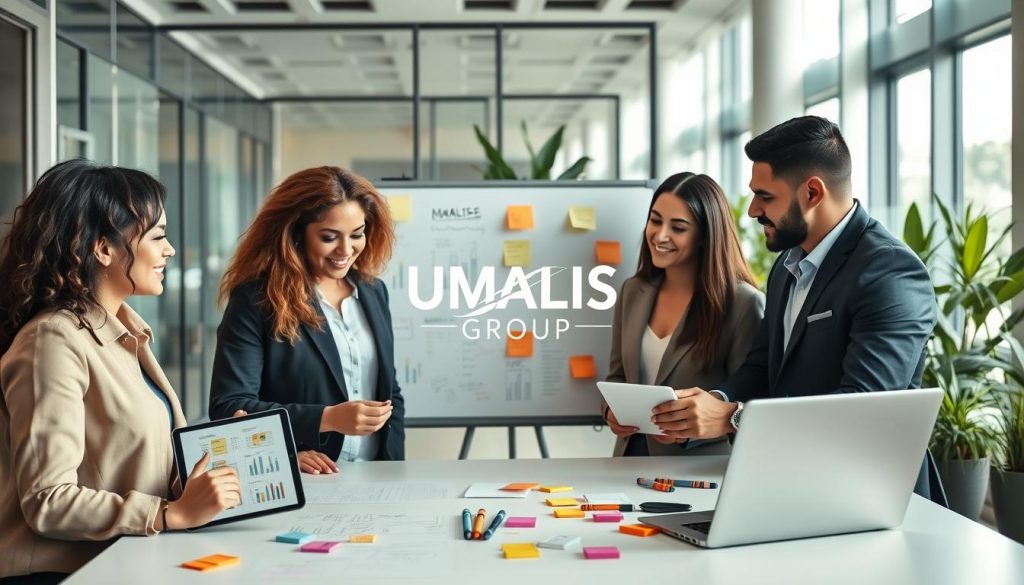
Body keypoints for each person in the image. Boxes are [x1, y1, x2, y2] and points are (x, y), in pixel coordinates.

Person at [649, 117, 940, 498]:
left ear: (813, 193)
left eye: (765, 196)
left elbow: (864, 406)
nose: (752, 210)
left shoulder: (891, 272)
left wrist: (733, 418)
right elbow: (762, 367)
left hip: (867, 493)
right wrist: (710, 405)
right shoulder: (787, 266)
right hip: (792, 482)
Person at [0, 160, 241, 583]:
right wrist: (169, 514)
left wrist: (224, 453)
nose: (169, 250)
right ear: (103, 248)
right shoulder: (52, 341)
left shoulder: (125, 330)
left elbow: (129, 459)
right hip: (60, 574)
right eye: (159, 237)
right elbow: (48, 500)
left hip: (124, 563)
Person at [209, 166, 405, 474]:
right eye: (329, 237)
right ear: (296, 234)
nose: (345, 250)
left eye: (357, 234)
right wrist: (320, 425)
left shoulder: (373, 292)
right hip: (307, 480)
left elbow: (389, 393)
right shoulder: (256, 299)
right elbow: (229, 407)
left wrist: (395, 471)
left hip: (376, 478)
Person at [603, 172, 765, 456]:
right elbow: (618, 376)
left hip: (697, 470)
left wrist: (688, 432)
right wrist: (610, 411)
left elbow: (749, 400)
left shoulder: (742, 304)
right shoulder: (633, 291)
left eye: (678, 227)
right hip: (627, 459)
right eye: (655, 221)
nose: (660, 235)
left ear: (704, 236)